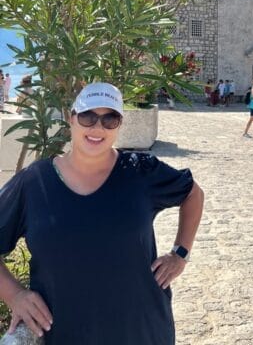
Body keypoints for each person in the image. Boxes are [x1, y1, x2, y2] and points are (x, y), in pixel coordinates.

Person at [0, 82, 204, 344]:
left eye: (110, 119)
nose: (97, 127)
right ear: (71, 119)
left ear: (119, 125)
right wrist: (14, 295)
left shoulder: (140, 171)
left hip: (143, 330)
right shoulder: (34, 182)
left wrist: (180, 254)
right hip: (66, 333)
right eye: (87, 117)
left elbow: (192, 193)